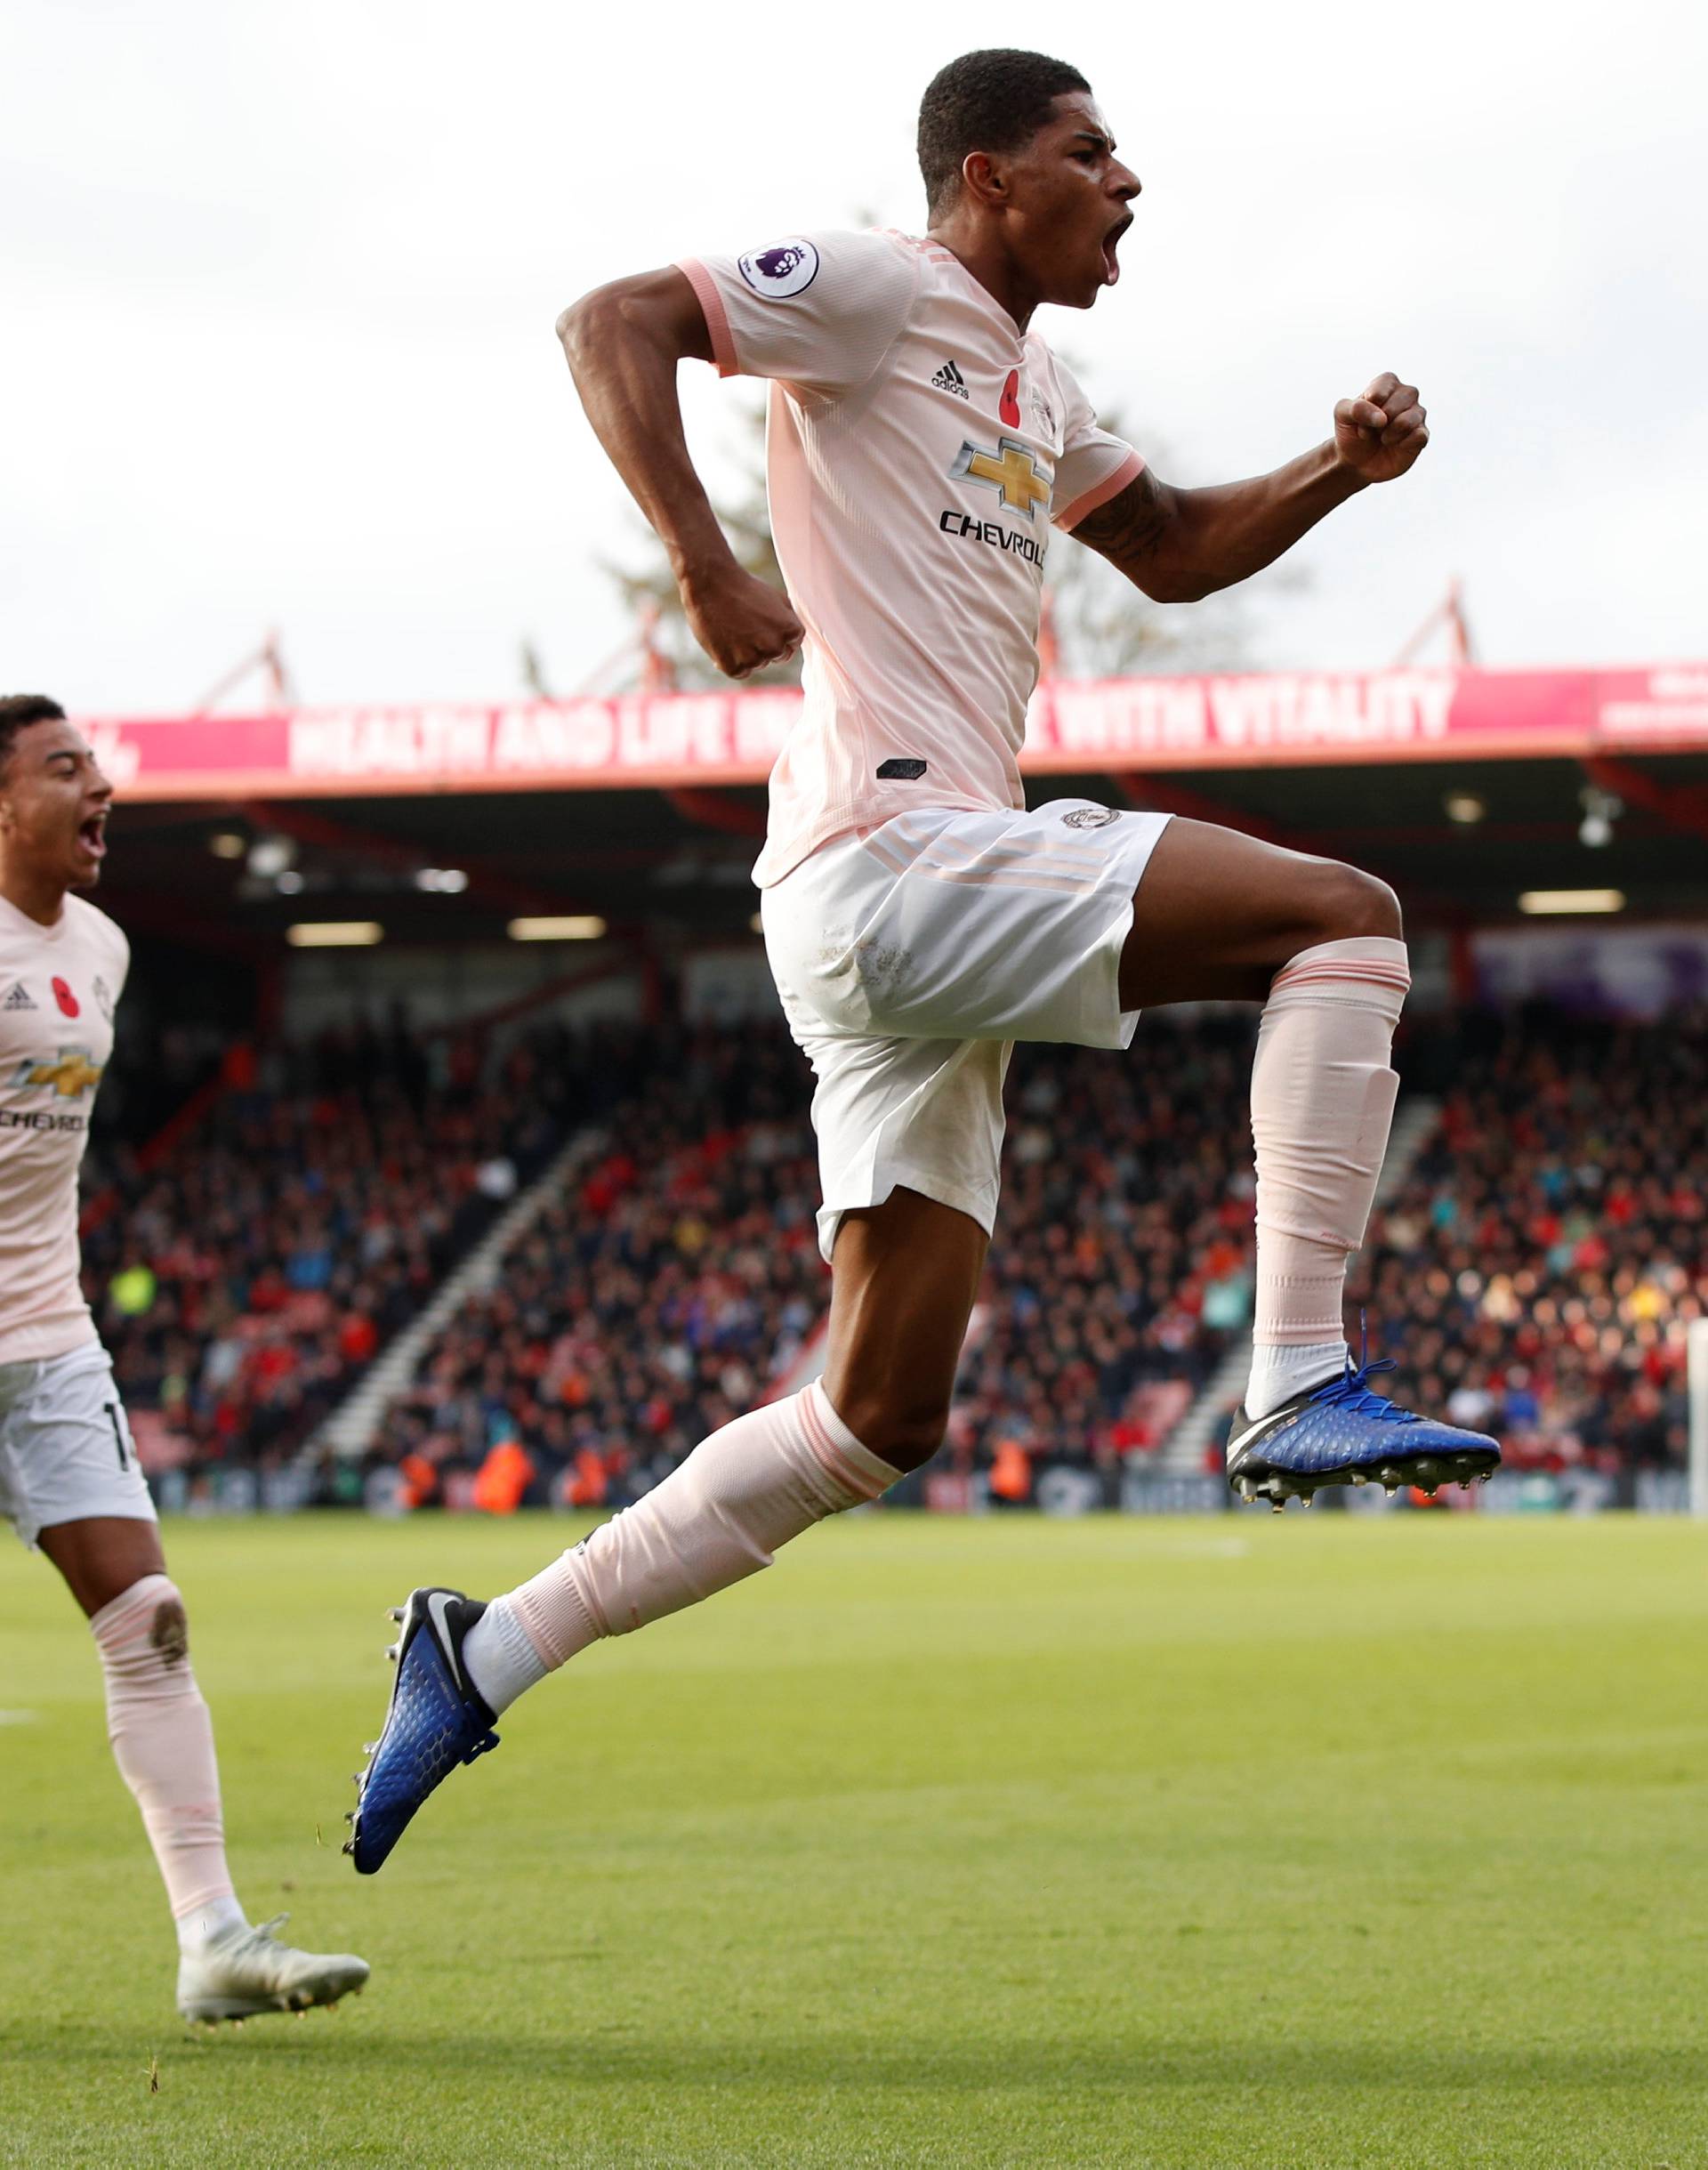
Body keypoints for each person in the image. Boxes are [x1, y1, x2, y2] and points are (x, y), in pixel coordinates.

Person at [346, 49, 1499, 1873]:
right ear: (984, 175)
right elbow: (614, 318)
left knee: (876, 1413)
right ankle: (1295, 1367)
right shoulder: (885, 284)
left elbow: (1182, 550)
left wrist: (1340, 471)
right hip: (895, 852)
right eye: (1089, 152)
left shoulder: (1038, 380)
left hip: (887, 902)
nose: (1128, 184)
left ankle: (477, 1650)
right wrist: (706, 570)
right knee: (1341, 915)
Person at [0, 694, 369, 2021]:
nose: (99, 788)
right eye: (64, 769)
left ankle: (211, 1941)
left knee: (148, 1624)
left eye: (96, 766)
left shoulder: (98, 948)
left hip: (45, 1342)